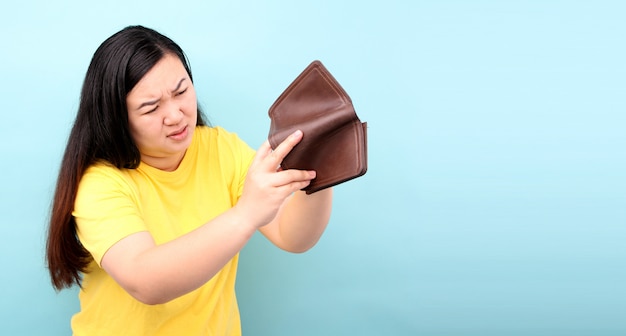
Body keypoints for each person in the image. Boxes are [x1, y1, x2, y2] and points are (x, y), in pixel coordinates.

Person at [45, 25, 333, 335]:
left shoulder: (221, 148)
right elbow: (146, 281)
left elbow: (293, 236)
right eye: (151, 108)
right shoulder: (100, 184)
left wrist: (322, 174)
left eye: (181, 91)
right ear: (117, 118)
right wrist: (246, 214)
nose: (176, 115)